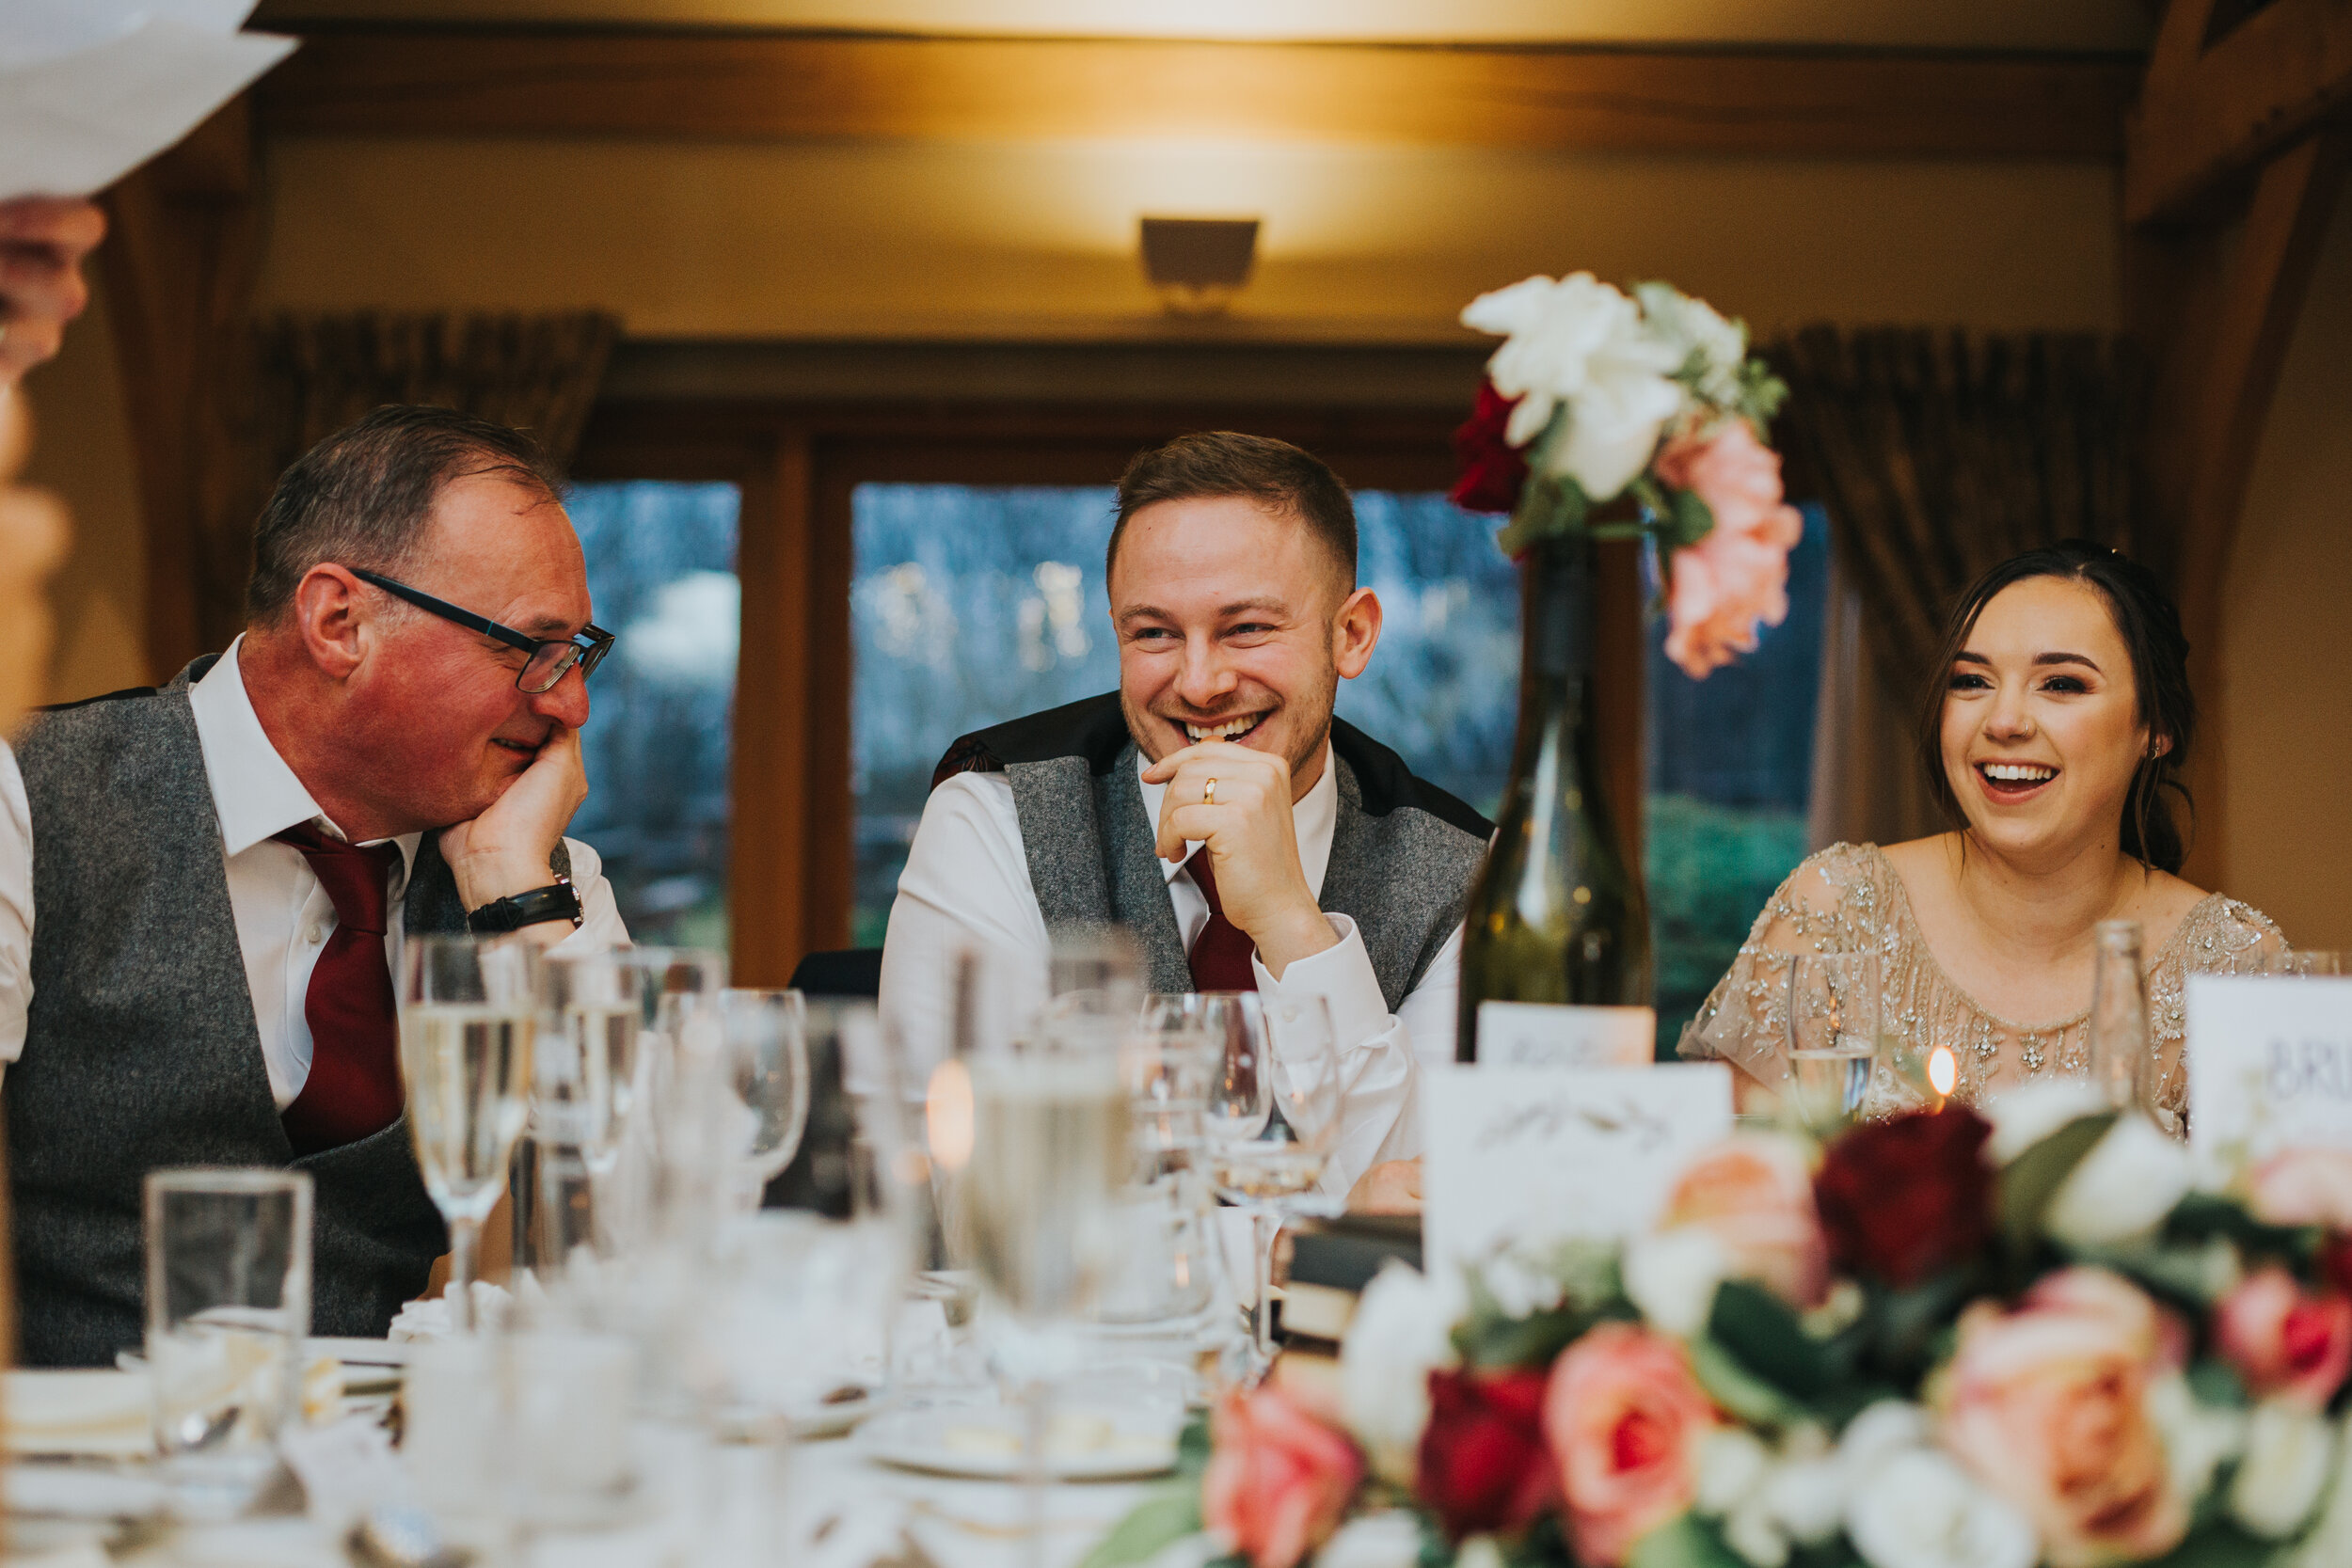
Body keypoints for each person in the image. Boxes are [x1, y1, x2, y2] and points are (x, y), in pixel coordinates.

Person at [0, 404, 629, 1366]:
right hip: (68, 1476)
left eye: (578, 653)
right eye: (529, 648)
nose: (570, 702)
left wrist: (515, 900)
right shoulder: (28, 801)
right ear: (340, 622)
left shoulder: (535, 869)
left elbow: (652, 1236)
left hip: (388, 1485)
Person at [879, 432, 1491, 1201]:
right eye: (1156, 633)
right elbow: (968, 1192)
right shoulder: (995, 816)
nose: (1200, 684)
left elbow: (1433, 1211)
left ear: (1352, 634)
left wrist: (1290, 921)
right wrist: (1300, 1246)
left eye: (1247, 628)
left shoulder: (1467, 878)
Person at [1680, 540, 2285, 1130]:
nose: (2003, 722)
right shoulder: (1832, 913)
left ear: (2155, 727)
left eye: (2062, 684)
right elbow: (1736, 1198)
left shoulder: (2235, 968)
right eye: (1971, 681)